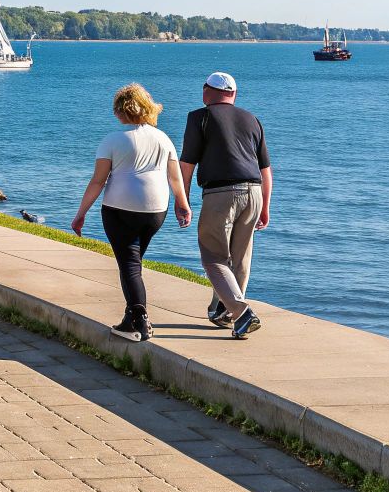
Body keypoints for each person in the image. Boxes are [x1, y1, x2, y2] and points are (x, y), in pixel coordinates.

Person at [71, 84, 191, 343]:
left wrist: (81, 213)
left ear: (121, 110)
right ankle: (129, 317)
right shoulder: (163, 138)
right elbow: (175, 178)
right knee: (132, 263)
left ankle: (140, 319)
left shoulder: (113, 140)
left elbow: (98, 181)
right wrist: (183, 204)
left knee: (129, 265)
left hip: (119, 208)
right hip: (155, 210)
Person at [179, 71, 273, 341]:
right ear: (233, 94)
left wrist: (182, 200)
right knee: (241, 258)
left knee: (213, 257)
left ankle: (241, 313)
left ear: (207, 91)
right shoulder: (252, 119)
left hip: (221, 193)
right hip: (254, 191)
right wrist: (265, 206)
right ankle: (225, 312)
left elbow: (187, 164)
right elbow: (266, 169)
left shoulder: (199, 117)